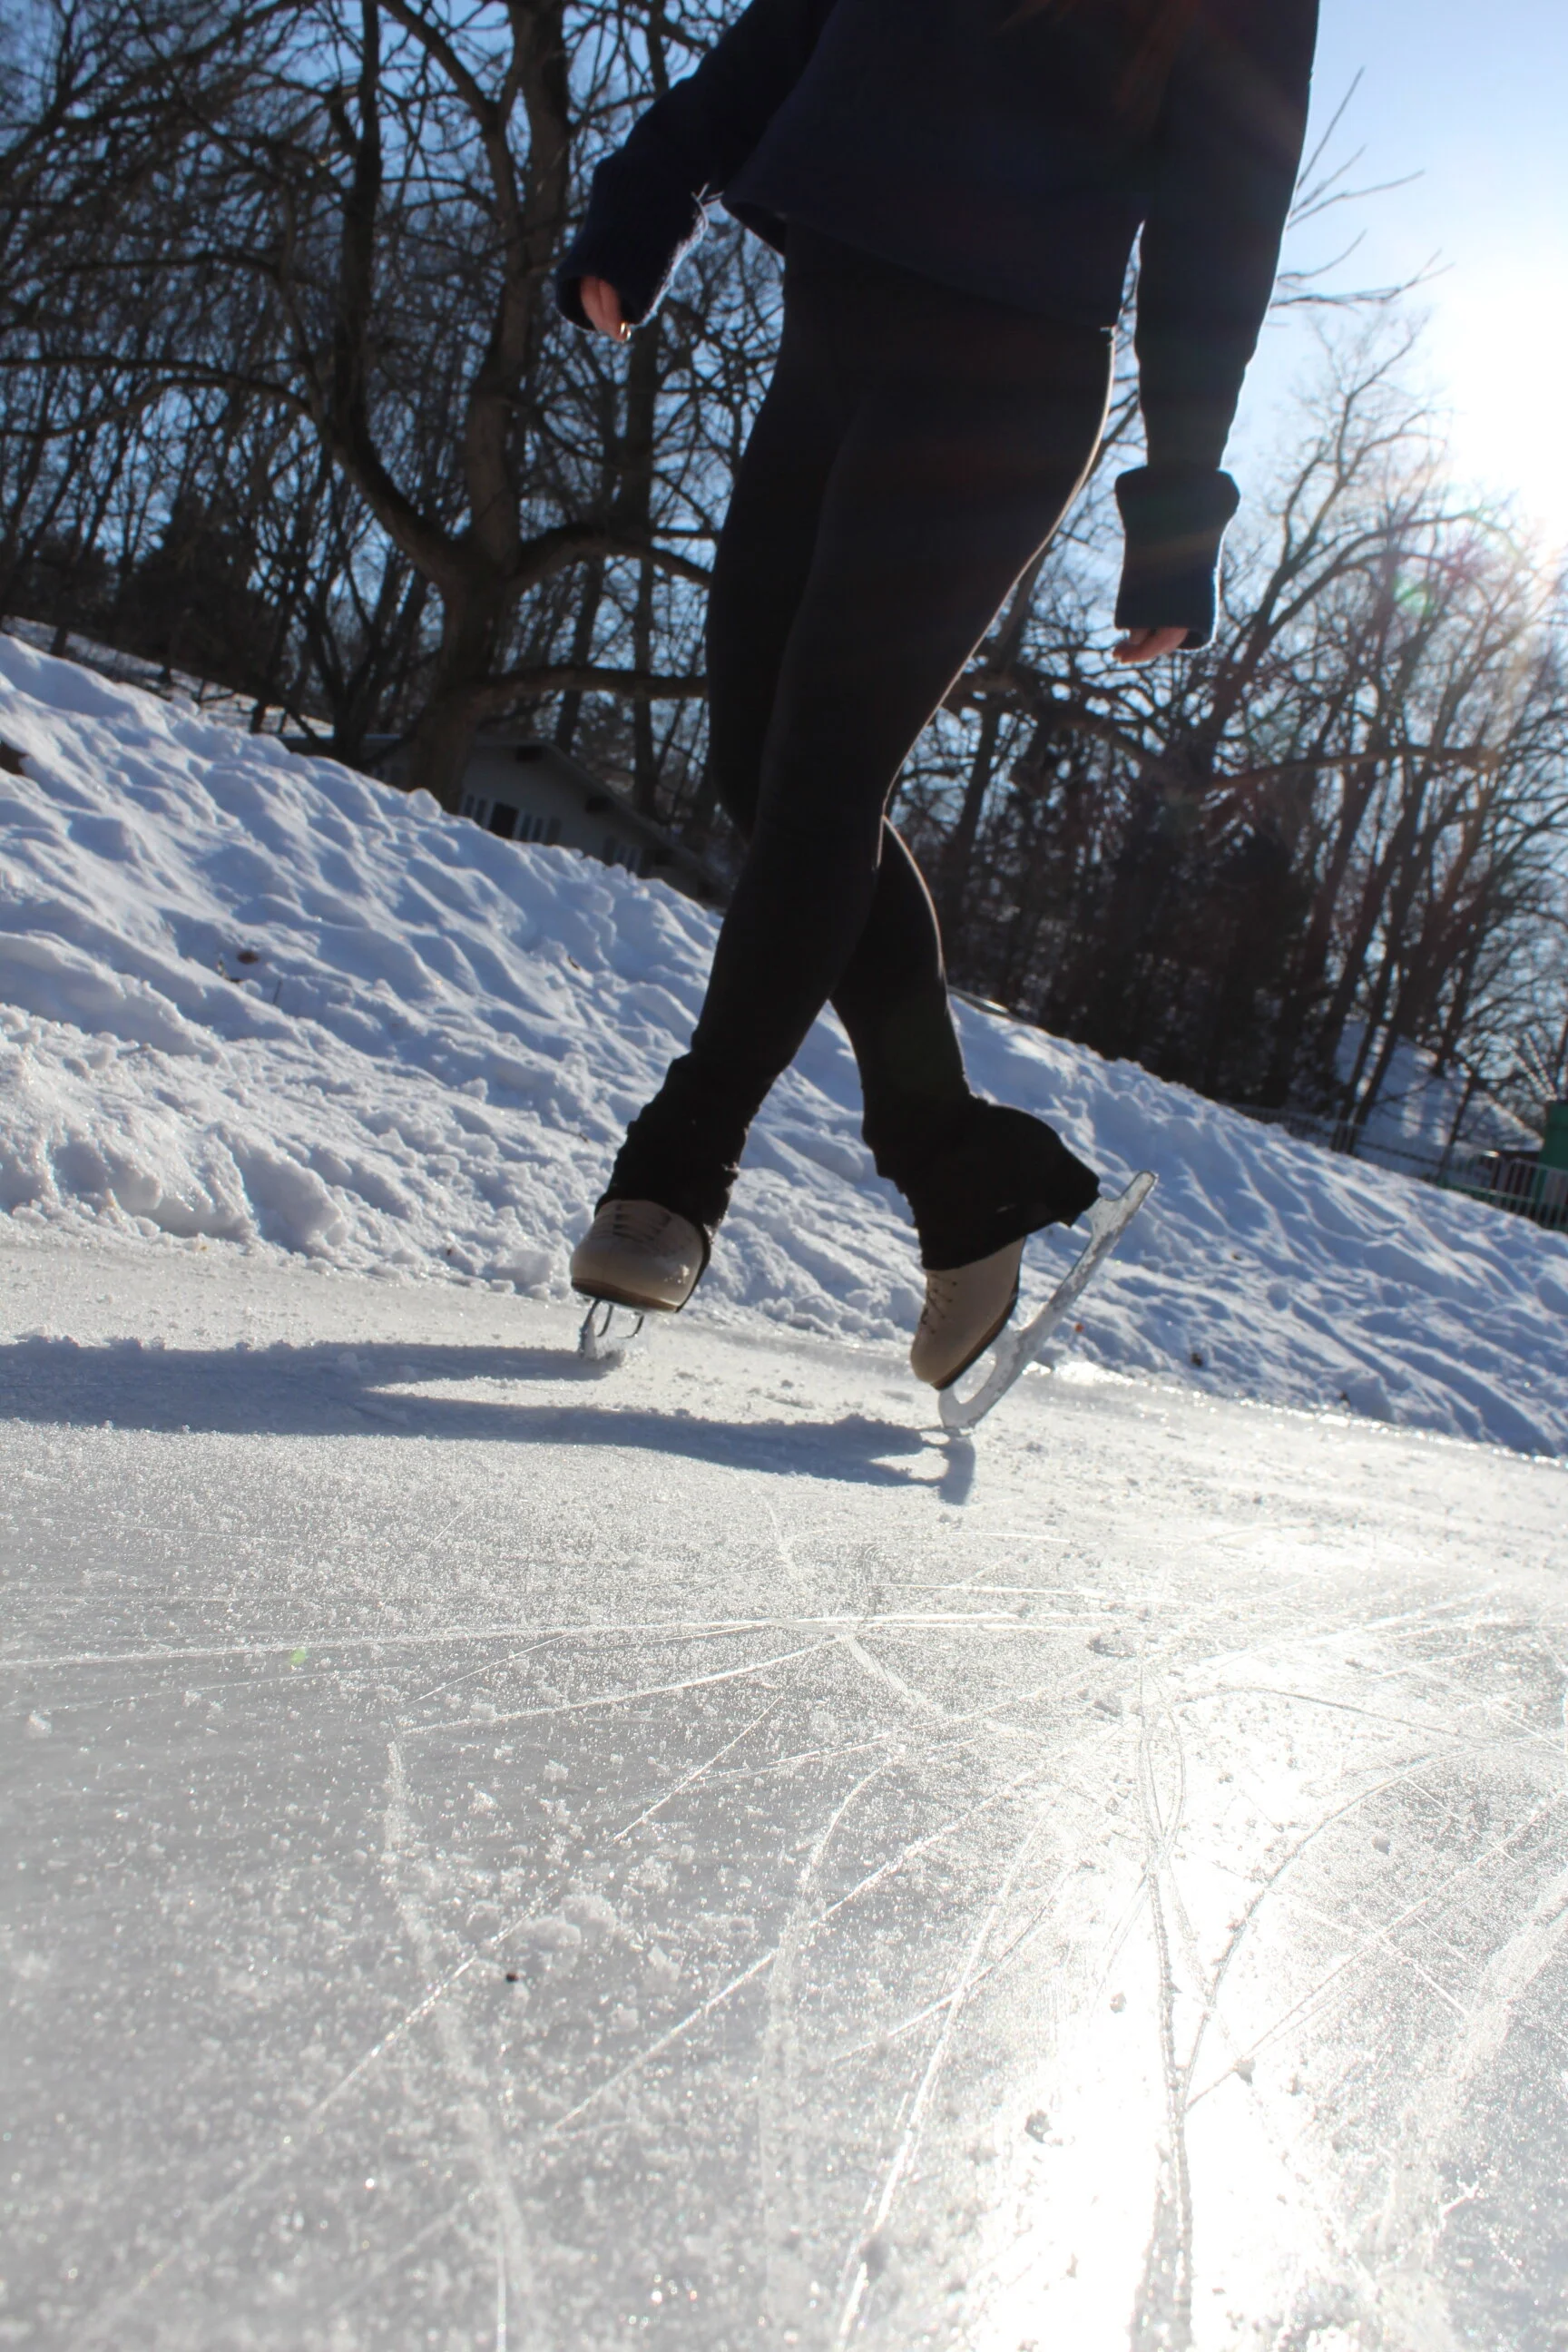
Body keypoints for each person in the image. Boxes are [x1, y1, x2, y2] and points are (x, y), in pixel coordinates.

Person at [556, 0, 1318, 1387]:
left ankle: (671, 1181)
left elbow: (1228, 204)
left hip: (1010, 368)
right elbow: (789, 28)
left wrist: (1180, 503)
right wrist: (645, 197)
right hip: (836, 305)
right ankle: (958, 1173)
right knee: (759, 765)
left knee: (827, 772)